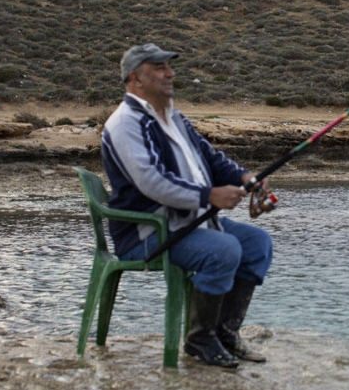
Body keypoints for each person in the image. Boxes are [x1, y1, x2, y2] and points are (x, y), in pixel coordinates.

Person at [101, 43, 273, 368]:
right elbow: (152, 181)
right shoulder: (125, 123)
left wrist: (247, 178)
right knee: (223, 251)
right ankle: (198, 340)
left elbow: (210, 158)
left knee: (257, 245)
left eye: (169, 66)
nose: (171, 73)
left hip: (188, 222)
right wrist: (207, 195)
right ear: (136, 77)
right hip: (147, 232)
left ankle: (224, 333)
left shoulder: (173, 117)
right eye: (161, 68)